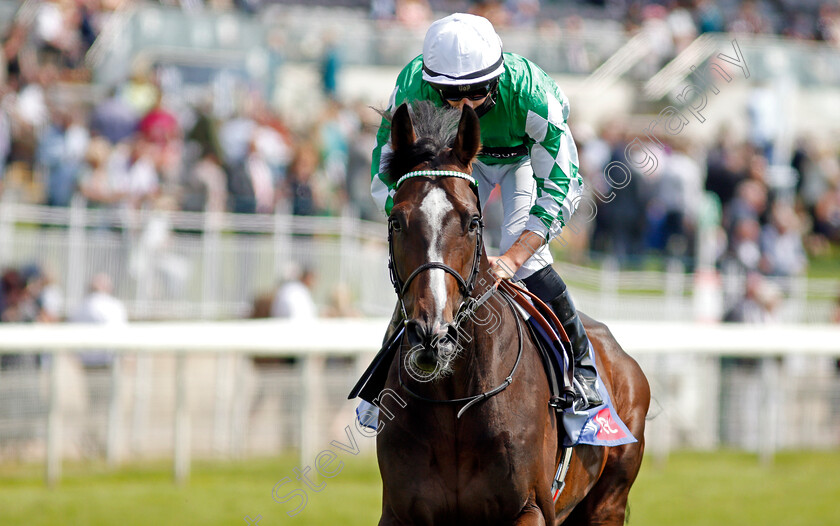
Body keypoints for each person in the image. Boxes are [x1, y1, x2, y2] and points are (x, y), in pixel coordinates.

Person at [370, 13, 600, 409]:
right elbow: (384, 177)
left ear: (495, 77)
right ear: (431, 85)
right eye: (450, 94)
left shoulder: (532, 95)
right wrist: (412, 220)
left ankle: (581, 367)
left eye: (476, 90)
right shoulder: (410, 88)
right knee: (430, 252)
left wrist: (513, 258)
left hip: (522, 160)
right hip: (452, 158)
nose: (463, 105)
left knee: (526, 259)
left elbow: (559, 190)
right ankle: (383, 377)